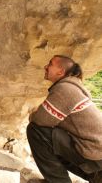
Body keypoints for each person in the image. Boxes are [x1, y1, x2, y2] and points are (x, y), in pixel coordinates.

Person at [27, 55, 102, 183]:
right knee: (54, 136)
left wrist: (33, 113)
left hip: (95, 156)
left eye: (50, 64)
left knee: (36, 131)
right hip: (97, 157)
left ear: (60, 72)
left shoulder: (65, 89)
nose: (45, 67)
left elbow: (39, 119)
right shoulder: (73, 87)